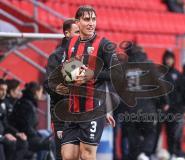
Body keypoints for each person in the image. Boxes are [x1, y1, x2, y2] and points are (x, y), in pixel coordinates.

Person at [48, 5, 119, 160]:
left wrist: (92, 74)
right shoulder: (71, 43)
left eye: (93, 19)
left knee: (87, 155)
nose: (91, 23)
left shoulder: (104, 44)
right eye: (86, 19)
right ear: (77, 22)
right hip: (73, 110)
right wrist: (67, 78)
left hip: (92, 109)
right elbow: (66, 69)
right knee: (67, 155)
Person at [44, 18, 80, 160]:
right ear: (67, 33)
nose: (80, 35)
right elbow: (48, 84)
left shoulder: (83, 55)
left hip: (81, 113)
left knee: (80, 153)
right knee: (63, 153)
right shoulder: (57, 56)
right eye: (77, 32)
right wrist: (67, 90)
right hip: (62, 113)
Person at [9, 82, 54, 156]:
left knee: (47, 135)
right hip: (26, 137)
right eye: (41, 92)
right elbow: (26, 127)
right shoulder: (27, 105)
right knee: (51, 143)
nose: (41, 94)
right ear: (36, 92)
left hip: (28, 135)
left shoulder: (28, 103)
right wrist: (37, 137)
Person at [162, 50, 185, 159]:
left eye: (170, 58)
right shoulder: (161, 74)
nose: (169, 61)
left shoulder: (178, 74)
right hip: (165, 110)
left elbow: (183, 92)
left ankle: (178, 153)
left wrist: (184, 107)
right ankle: (171, 153)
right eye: (167, 58)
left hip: (178, 109)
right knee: (169, 133)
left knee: (178, 133)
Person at [0, 79, 28, 160]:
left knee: (23, 142)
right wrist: (3, 137)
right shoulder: (5, 104)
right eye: (1, 90)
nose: (4, 93)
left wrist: (16, 133)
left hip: (3, 135)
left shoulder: (2, 104)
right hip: (1, 138)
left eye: (5, 90)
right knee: (8, 144)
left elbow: (5, 124)